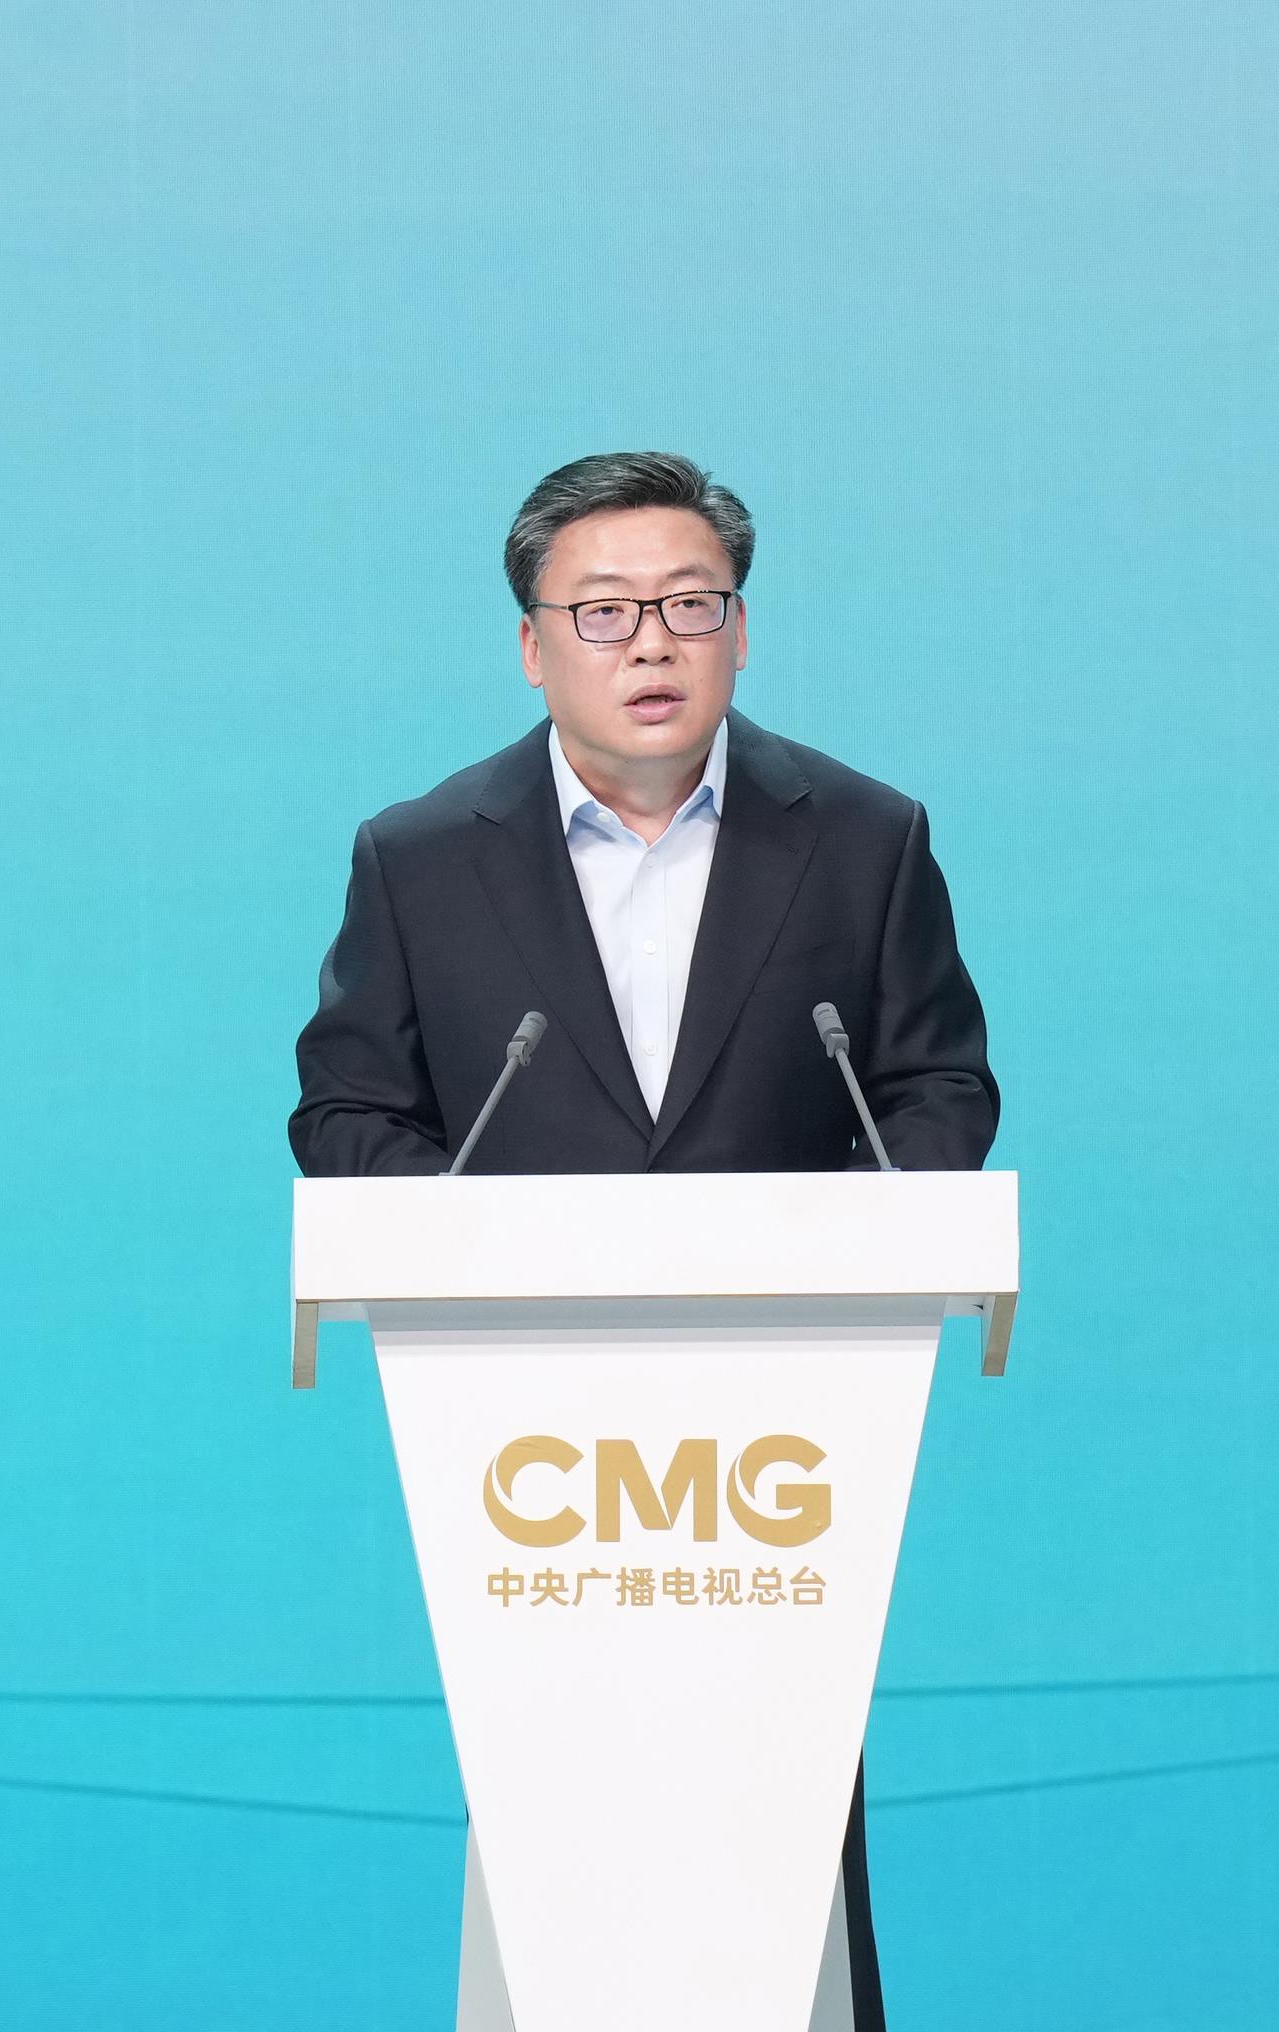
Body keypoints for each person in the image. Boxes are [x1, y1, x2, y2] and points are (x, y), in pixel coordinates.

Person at [291, 450, 999, 2028]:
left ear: (741, 630)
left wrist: (867, 1228)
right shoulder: (419, 854)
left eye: (690, 603)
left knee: (777, 1803)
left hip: (782, 1430)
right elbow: (345, 1111)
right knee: (564, 1815)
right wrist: (486, 1249)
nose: (653, 642)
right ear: (531, 645)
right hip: (527, 1430)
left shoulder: (862, 836)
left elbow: (935, 1083)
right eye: (604, 612)